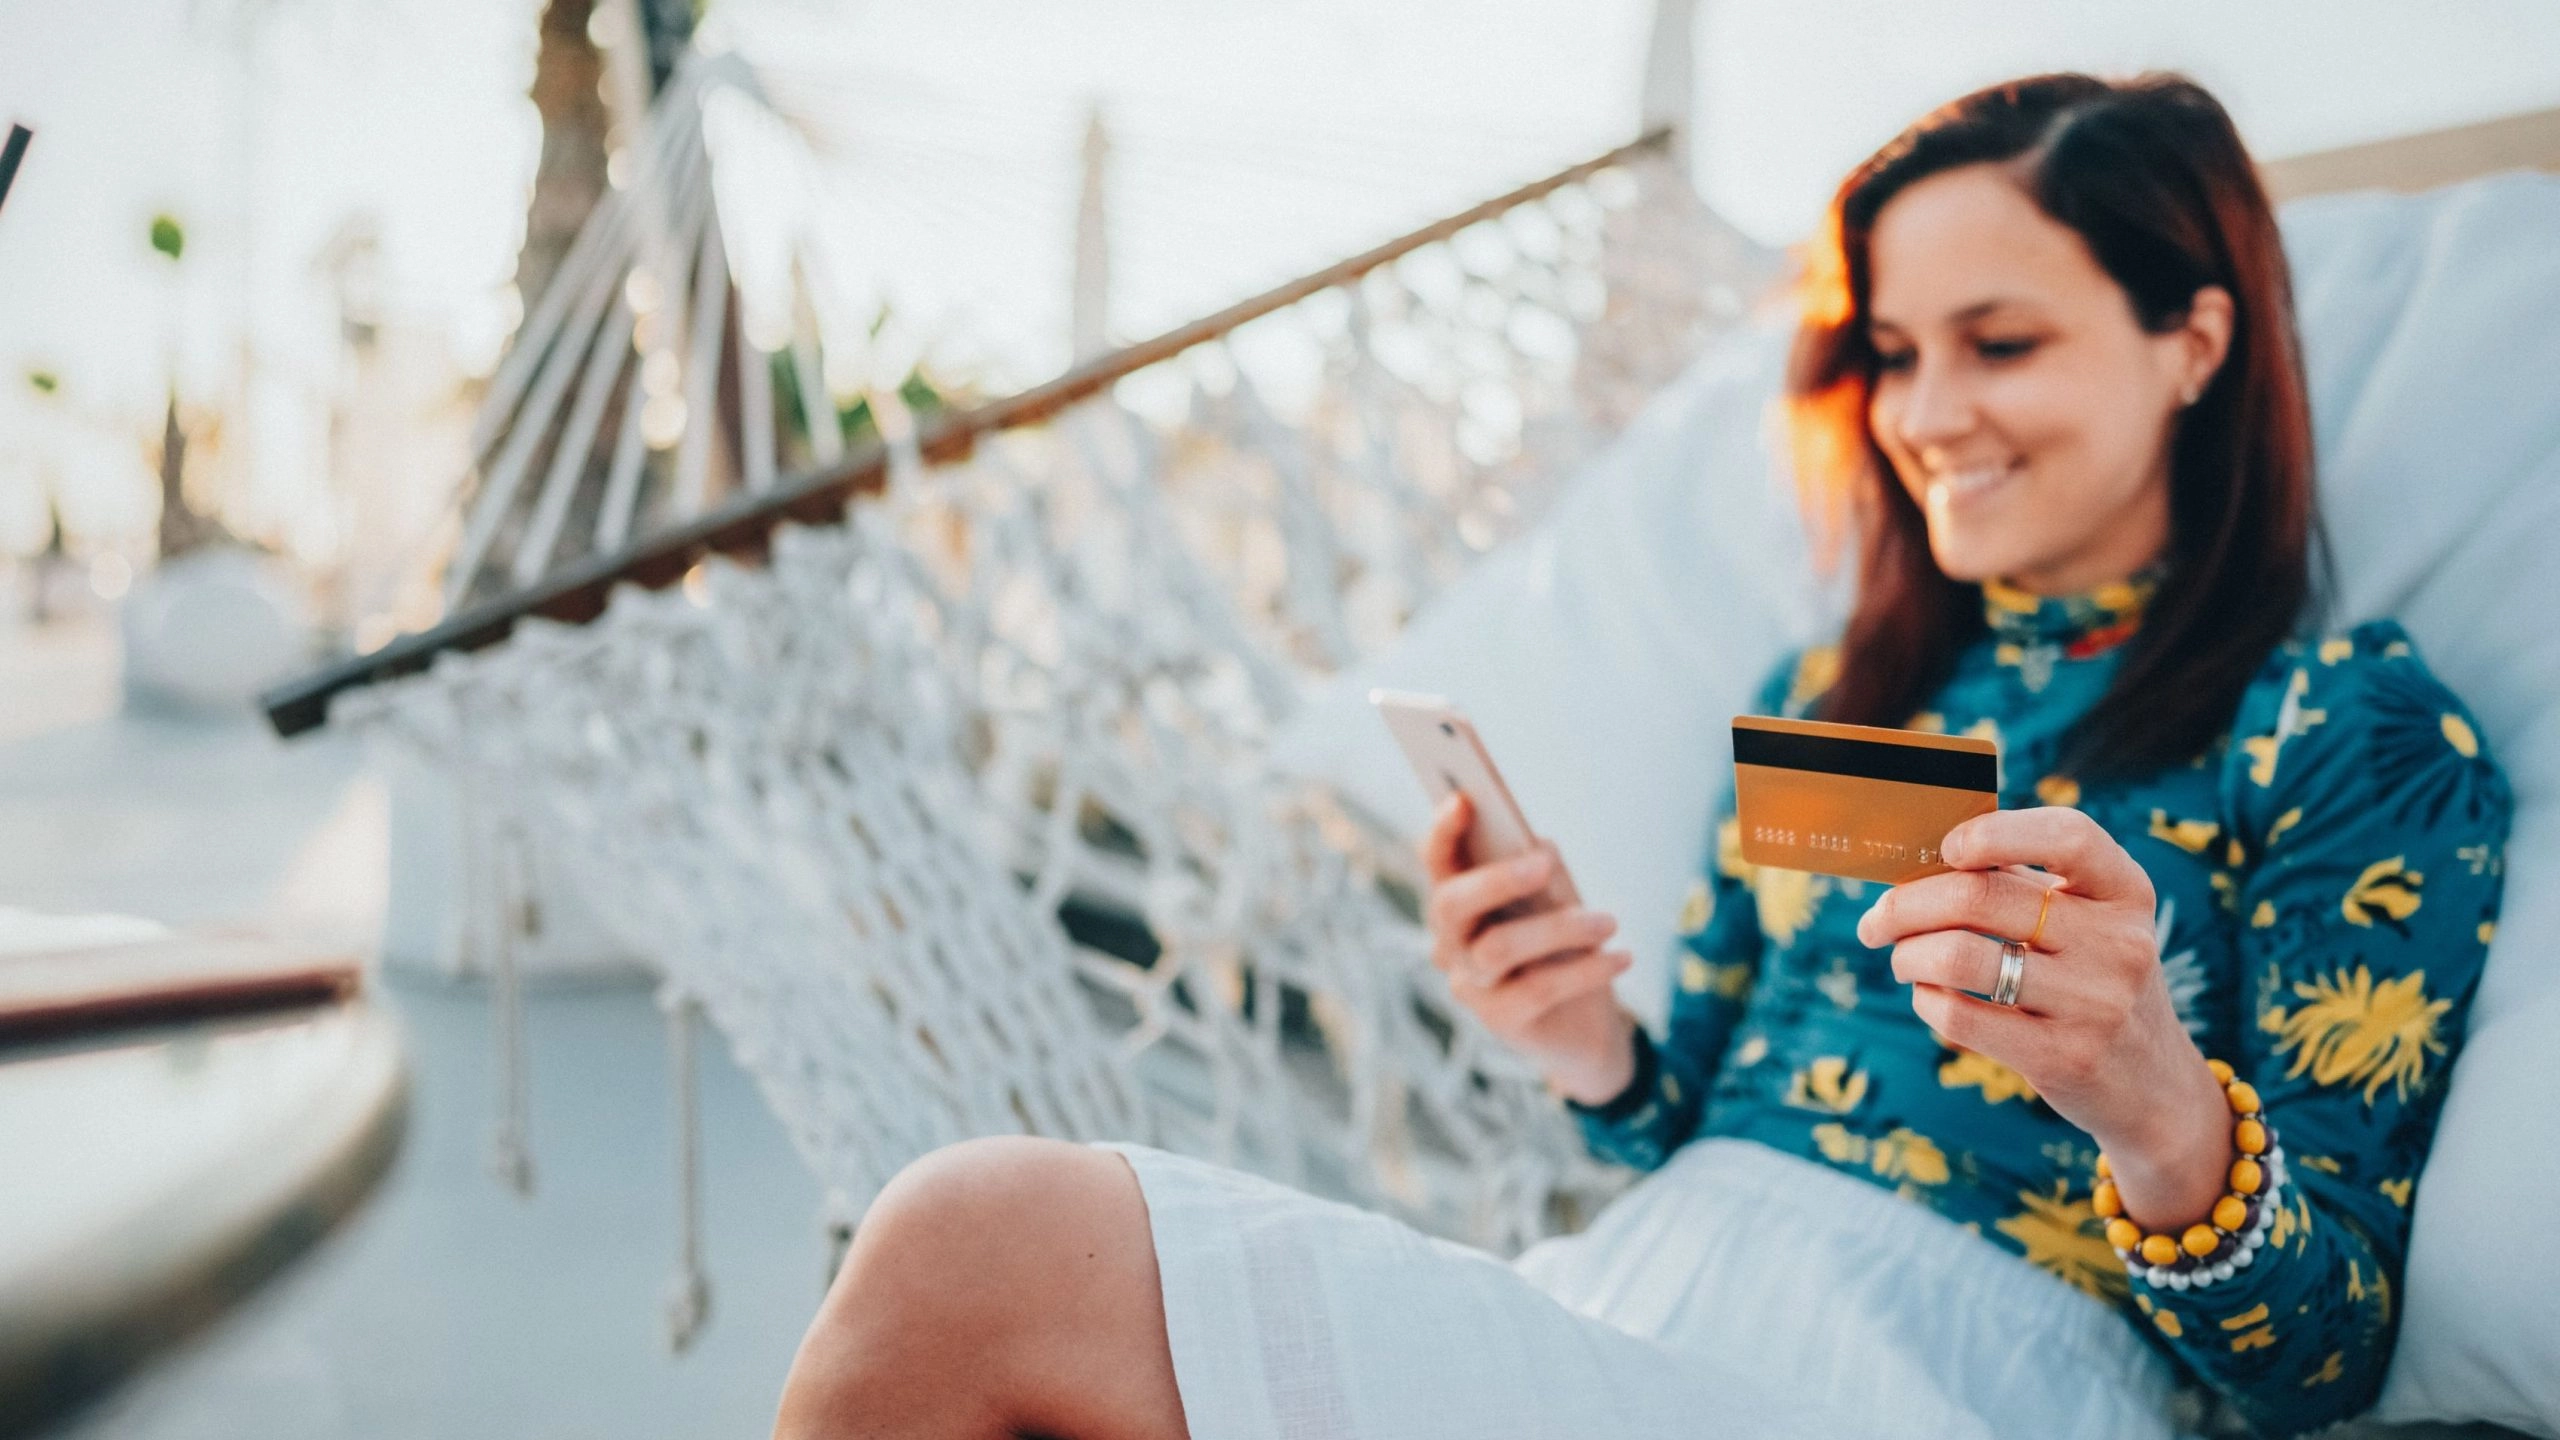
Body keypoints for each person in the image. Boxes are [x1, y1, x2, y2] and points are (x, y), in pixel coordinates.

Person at [770, 73, 2510, 1440]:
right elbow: (1695, 1125)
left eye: (2003, 342)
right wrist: (1586, 1046)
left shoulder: (2343, 729)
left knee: (969, 1246)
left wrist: (2152, 1100)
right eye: (1894, 354)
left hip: (1955, 1388)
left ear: (2193, 339)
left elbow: (2324, 1364)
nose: (1925, 413)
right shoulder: (1840, 689)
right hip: (1629, 1308)